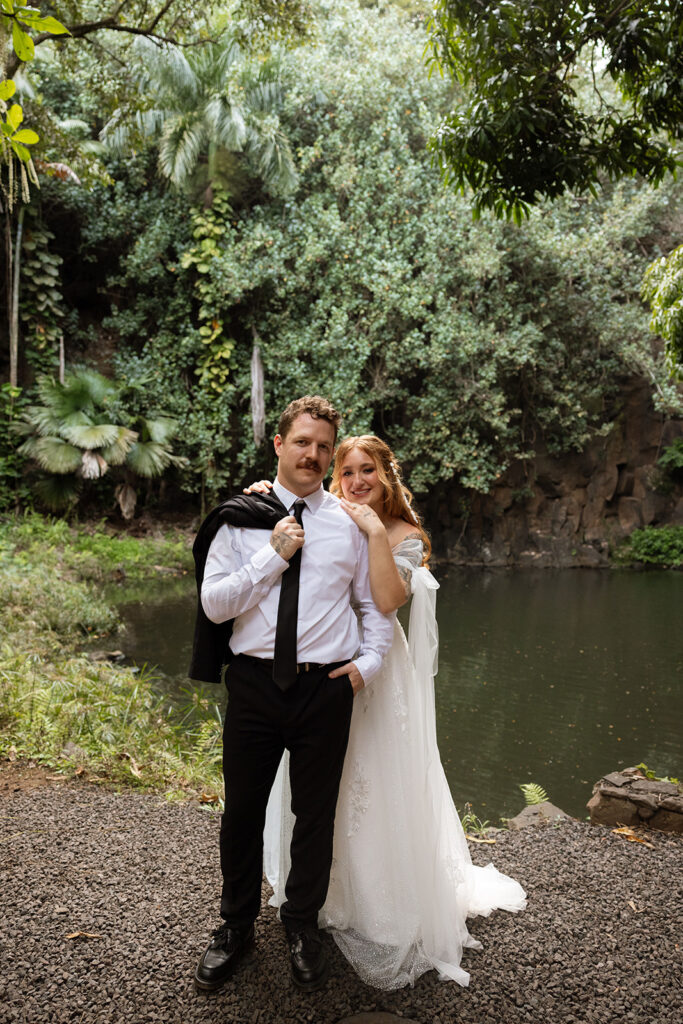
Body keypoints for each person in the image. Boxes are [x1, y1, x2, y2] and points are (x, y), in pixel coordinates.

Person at [257, 435, 527, 990]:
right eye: (348, 471)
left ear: (385, 477)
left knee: (373, 777)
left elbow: (386, 602)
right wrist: (267, 492)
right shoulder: (322, 515)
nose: (357, 481)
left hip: (379, 669)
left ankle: (378, 900)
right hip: (320, 665)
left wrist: (375, 532)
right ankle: (315, 890)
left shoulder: (405, 535)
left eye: (368, 471)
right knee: (321, 783)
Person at [190, 400, 394, 995]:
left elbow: (372, 607)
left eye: (324, 446)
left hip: (324, 689)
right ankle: (235, 926)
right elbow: (214, 605)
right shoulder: (240, 518)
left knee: (315, 815)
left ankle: (302, 924)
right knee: (242, 813)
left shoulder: (350, 523)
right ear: (278, 445)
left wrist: (368, 665)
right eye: (302, 442)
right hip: (254, 686)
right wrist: (273, 554)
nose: (313, 454)